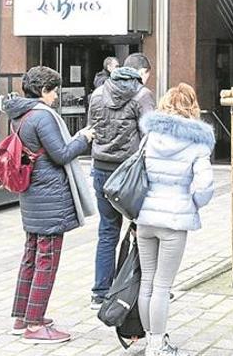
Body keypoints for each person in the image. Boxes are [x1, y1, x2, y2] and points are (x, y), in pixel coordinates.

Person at [4, 66, 95, 344]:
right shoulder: (42, 117)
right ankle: (34, 325)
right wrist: (84, 138)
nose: (56, 96)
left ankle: (23, 316)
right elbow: (61, 154)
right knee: (46, 261)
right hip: (50, 198)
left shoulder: (19, 114)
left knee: (31, 255)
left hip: (32, 196)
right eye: (54, 90)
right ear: (43, 91)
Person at [135, 83, 215, 356]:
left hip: (145, 217)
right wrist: (191, 203)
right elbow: (204, 186)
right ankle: (157, 345)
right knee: (162, 285)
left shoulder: (149, 136)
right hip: (174, 221)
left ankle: (149, 338)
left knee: (147, 280)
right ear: (192, 106)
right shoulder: (197, 142)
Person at [87, 53, 154, 309]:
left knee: (107, 231)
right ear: (142, 72)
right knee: (142, 230)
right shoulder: (142, 95)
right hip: (131, 173)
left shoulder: (98, 94)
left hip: (101, 169)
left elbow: (92, 129)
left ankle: (100, 292)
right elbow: (150, 134)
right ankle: (141, 289)